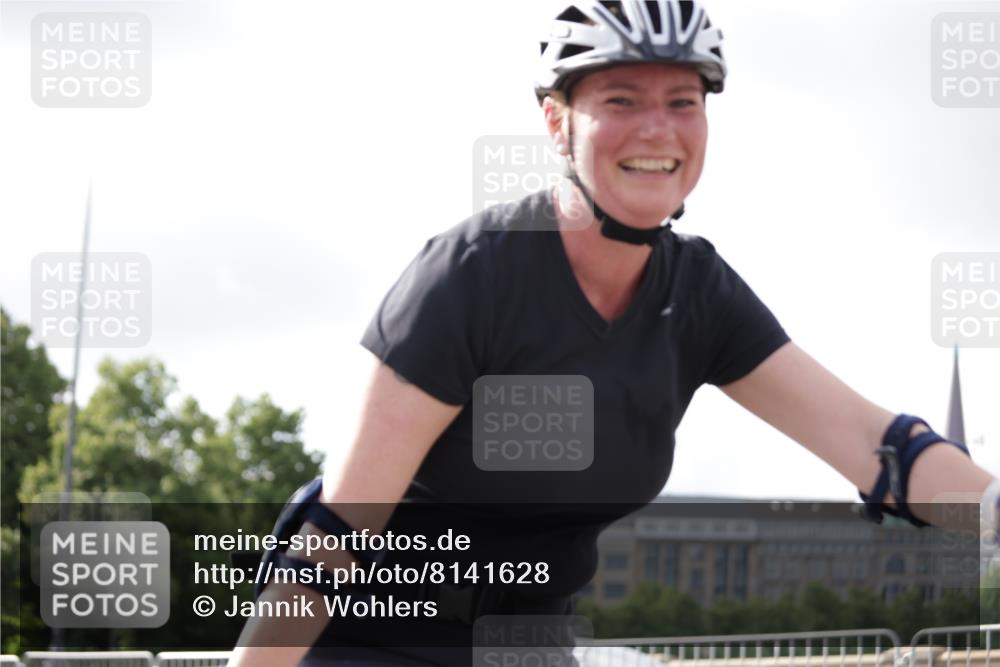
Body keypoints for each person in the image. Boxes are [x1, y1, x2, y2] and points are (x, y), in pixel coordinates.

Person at [228, 1, 997, 665]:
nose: (658, 129)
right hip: (372, 638)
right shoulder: (470, 277)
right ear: (558, 121)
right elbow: (331, 536)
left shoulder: (699, 294)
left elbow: (879, 448)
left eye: (685, 100)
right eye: (622, 100)